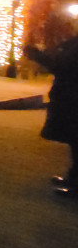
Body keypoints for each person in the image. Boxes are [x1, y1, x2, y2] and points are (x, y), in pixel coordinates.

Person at [24, 35, 78, 196]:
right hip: (69, 95)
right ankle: (73, 177)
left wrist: (36, 54)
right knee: (74, 141)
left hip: (73, 95)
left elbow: (64, 64)